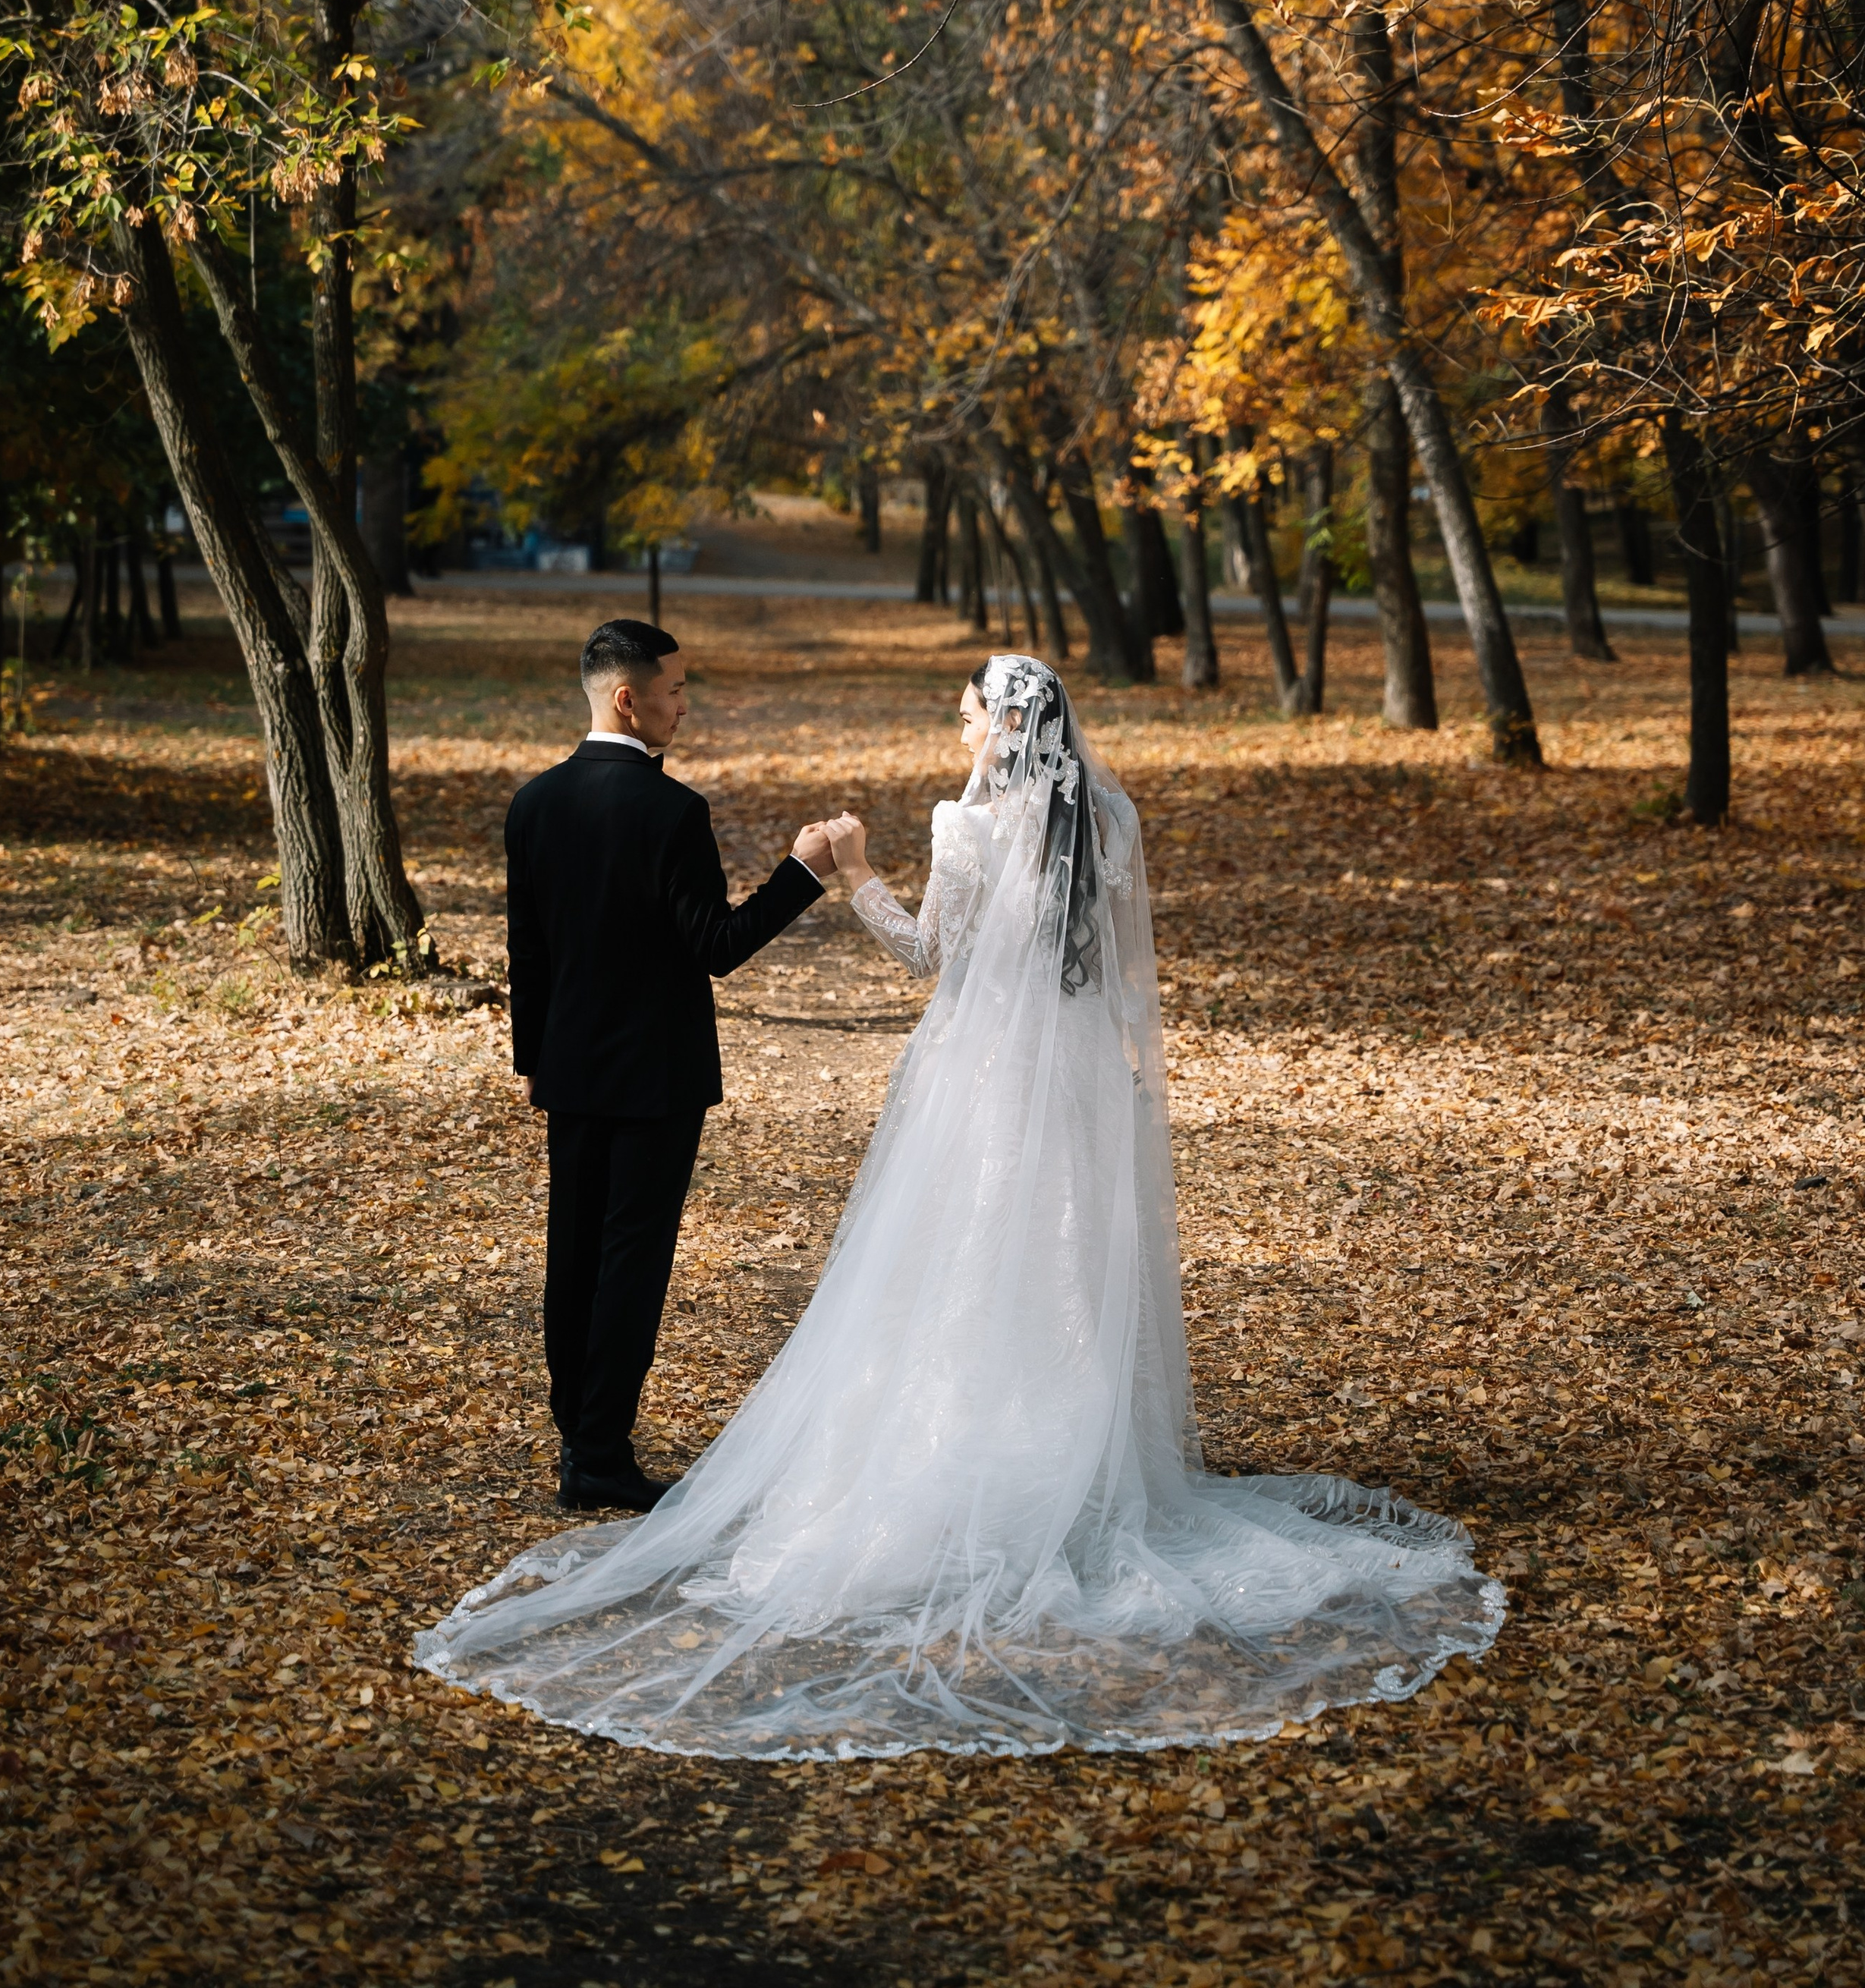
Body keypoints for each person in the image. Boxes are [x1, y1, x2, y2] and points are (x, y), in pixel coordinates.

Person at [420, 652, 1502, 1757]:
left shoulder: (970, 825)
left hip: (983, 1069)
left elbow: (931, 951)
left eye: (968, 705)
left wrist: (850, 871)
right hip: (1082, 1072)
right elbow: (1127, 975)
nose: (959, 719)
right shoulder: (1111, 821)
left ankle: (942, 1448)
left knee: (965, 1254)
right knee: (1061, 1255)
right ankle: (1078, 1449)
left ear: (1005, 723)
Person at [505, 618, 835, 1514]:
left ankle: (581, 1432)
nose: (685, 705)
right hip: (654, 1077)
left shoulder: (533, 803)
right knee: (630, 1260)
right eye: (677, 690)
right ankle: (599, 1452)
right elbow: (716, 946)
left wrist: (530, 1054)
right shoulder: (670, 810)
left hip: (569, 1067)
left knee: (571, 1252)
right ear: (628, 696)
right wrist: (800, 873)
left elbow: (525, 951)